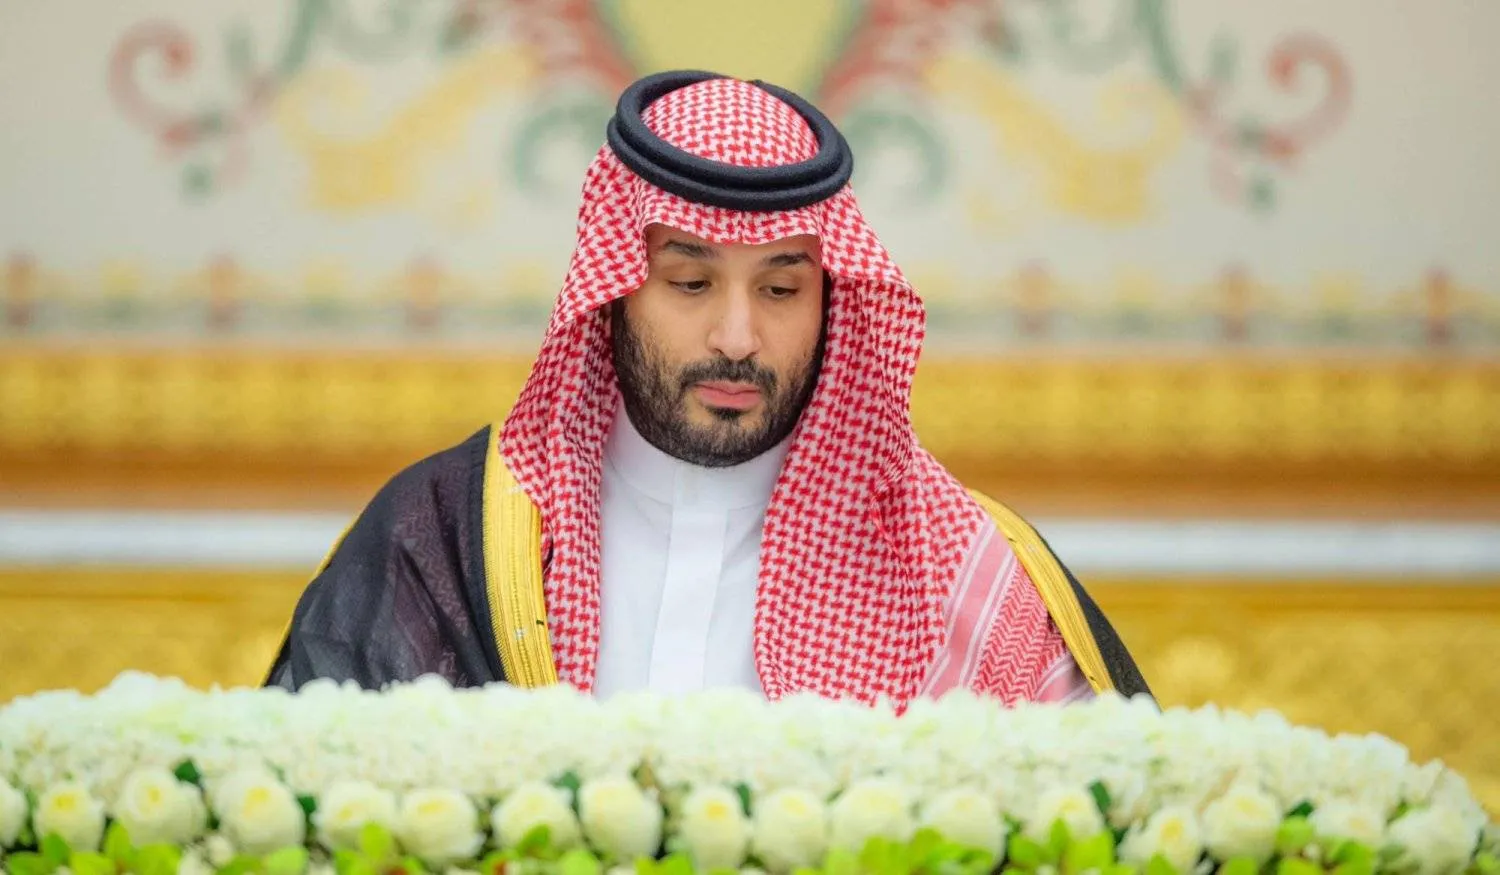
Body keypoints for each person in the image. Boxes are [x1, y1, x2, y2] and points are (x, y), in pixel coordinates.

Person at [264, 70, 1150, 706]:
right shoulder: (453, 536)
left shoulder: (964, 571)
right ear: (615, 289)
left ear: (832, 298)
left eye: (780, 288)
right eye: (690, 284)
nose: (737, 338)